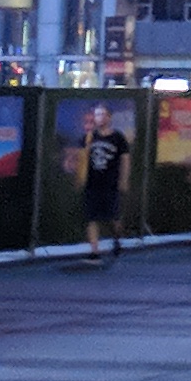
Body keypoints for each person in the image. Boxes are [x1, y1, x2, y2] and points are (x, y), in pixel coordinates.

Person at [76, 103, 130, 266]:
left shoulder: (118, 138)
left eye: (102, 114)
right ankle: (95, 251)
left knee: (113, 216)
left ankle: (117, 239)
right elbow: (82, 158)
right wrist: (80, 178)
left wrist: (124, 179)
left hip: (111, 183)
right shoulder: (89, 137)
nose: (99, 118)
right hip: (93, 183)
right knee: (91, 217)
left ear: (109, 117)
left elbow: (125, 160)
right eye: (97, 114)